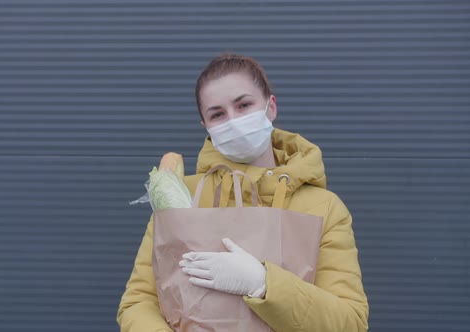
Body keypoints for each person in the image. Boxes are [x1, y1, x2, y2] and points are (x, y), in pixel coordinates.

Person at [117, 54, 369, 331]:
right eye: (218, 114)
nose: (233, 121)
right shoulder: (183, 198)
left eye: (244, 105)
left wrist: (263, 283)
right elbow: (139, 302)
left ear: (270, 107)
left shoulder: (324, 207)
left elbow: (350, 322)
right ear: (206, 126)